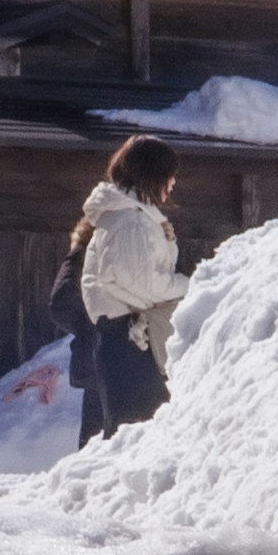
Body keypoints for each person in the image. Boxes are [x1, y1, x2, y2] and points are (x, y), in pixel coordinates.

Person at [73, 135, 183, 438]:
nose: (173, 183)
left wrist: (168, 242)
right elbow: (140, 283)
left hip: (124, 335)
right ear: (152, 174)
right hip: (127, 339)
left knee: (131, 431)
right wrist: (191, 286)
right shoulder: (130, 221)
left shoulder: (133, 217)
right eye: (169, 174)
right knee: (134, 433)